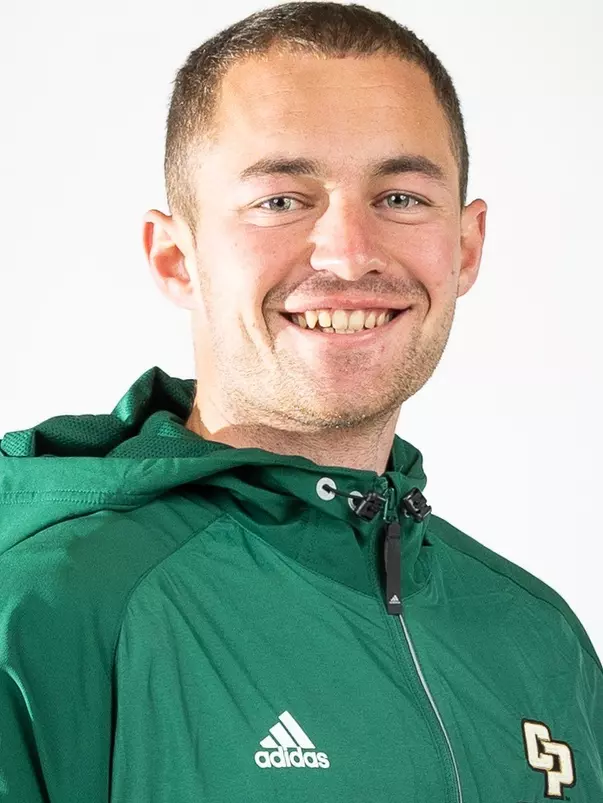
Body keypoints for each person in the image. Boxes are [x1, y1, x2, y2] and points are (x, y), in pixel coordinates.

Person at [0, 2, 601, 800]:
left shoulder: (538, 637)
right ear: (177, 258)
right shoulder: (42, 611)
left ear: (465, 246)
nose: (349, 253)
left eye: (400, 198)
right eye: (281, 200)